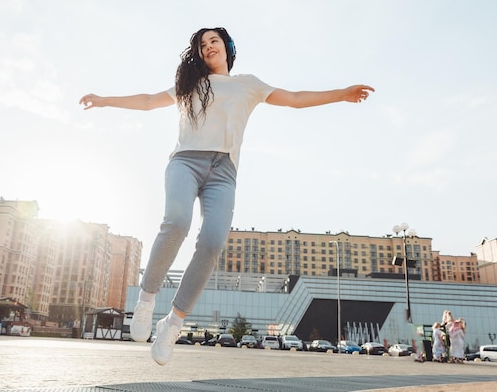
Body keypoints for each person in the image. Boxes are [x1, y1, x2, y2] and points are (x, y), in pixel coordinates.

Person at [79, 27, 374, 365]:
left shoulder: (248, 84)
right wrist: (104, 100)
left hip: (224, 172)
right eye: (202, 45)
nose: (208, 48)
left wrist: (341, 94)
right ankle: (146, 301)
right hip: (186, 161)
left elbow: (293, 99)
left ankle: (172, 323)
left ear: (228, 47)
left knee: (213, 242)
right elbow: (147, 101)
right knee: (176, 222)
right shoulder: (190, 85)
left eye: (214, 42)